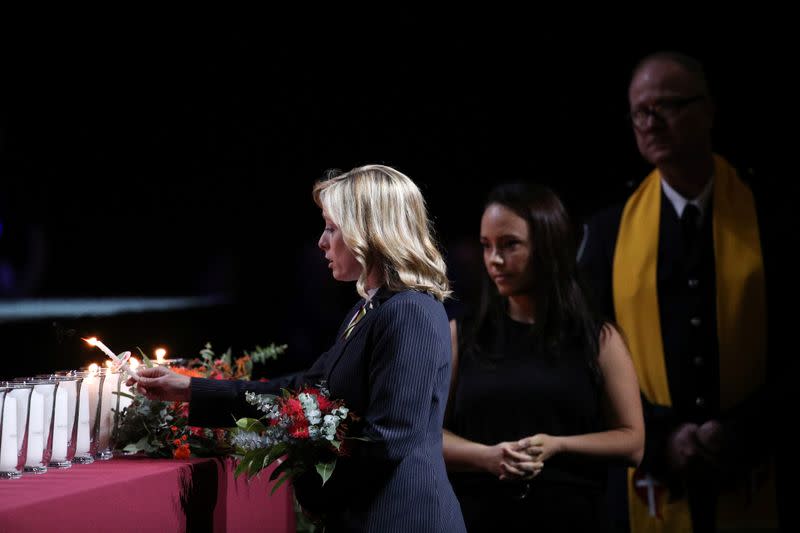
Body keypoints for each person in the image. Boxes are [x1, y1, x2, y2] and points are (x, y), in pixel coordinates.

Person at [131, 164, 467, 532]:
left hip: (402, 519)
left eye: (332, 227)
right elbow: (302, 390)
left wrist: (316, 494)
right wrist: (189, 389)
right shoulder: (372, 308)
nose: (322, 242)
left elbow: (387, 442)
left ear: (370, 232)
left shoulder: (410, 311)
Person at [580, 51, 779, 532]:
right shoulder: (608, 232)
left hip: (757, 458)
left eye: (666, 106)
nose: (650, 122)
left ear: (708, 111)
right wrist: (662, 438)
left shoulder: (769, 219)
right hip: (654, 470)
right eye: (639, 112)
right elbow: (589, 355)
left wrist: (743, 431)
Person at [443, 182, 644, 532]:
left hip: (573, 515)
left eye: (510, 245)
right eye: (486, 246)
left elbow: (633, 441)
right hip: (481, 516)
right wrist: (488, 457)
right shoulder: (463, 333)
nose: (495, 260)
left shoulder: (598, 337)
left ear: (547, 246)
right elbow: (428, 434)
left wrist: (558, 445)